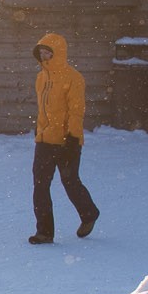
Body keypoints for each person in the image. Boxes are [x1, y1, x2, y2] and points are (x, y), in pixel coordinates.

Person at [29, 32, 100, 245]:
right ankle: (44, 232)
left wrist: (73, 138)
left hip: (67, 141)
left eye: (48, 52)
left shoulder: (73, 78)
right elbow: (43, 110)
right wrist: (39, 131)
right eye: (41, 52)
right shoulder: (41, 77)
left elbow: (76, 111)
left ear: (58, 53)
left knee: (70, 182)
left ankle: (89, 214)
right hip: (44, 141)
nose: (44, 56)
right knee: (40, 186)